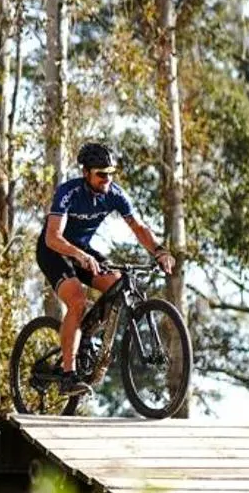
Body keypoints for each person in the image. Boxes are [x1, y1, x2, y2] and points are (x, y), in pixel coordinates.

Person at [35, 141, 176, 396]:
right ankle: (68, 375)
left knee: (117, 284)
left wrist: (159, 251)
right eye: (101, 174)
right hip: (54, 252)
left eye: (110, 173)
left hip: (83, 250)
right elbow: (53, 237)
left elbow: (139, 227)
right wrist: (79, 255)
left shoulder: (114, 194)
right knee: (78, 300)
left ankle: (86, 334)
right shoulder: (69, 192)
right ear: (85, 173)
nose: (107, 179)